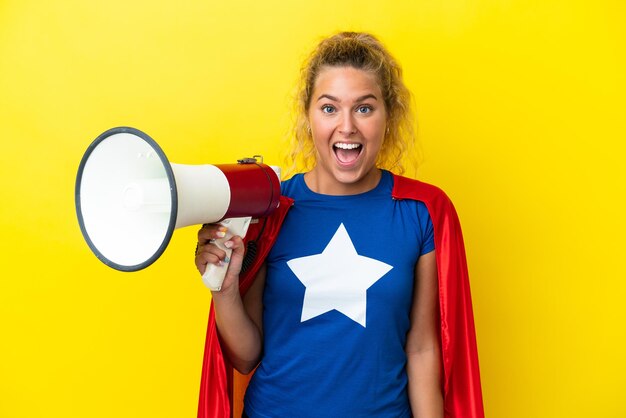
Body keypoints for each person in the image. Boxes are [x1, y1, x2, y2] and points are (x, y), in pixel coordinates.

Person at [195, 32, 484, 418]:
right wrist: (225, 289)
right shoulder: (272, 208)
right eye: (329, 108)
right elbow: (246, 358)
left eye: (364, 109)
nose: (346, 127)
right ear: (308, 115)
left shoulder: (421, 212)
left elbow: (422, 349)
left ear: (388, 115)